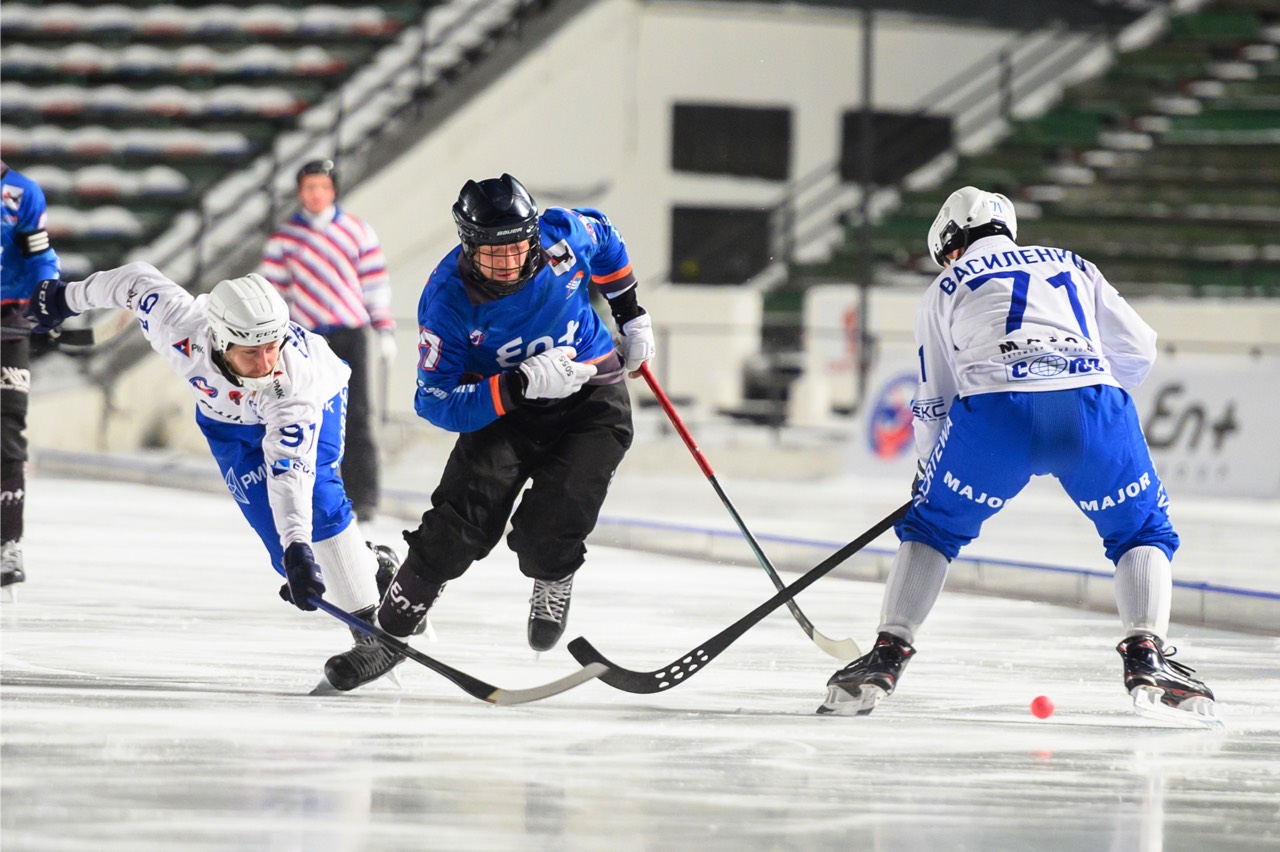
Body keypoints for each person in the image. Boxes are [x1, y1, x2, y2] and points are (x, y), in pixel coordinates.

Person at [817, 186, 1216, 722]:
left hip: (997, 415)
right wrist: (1088, 387)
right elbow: (1140, 349)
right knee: (1141, 531)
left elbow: (934, 400)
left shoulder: (944, 287)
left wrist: (927, 480)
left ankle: (887, 656)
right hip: (1091, 406)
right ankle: (1146, 655)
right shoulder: (1073, 264)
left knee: (933, 531)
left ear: (952, 241)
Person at [327, 173, 655, 676]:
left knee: (557, 519)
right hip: (505, 411)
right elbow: (434, 402)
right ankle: (388, 633)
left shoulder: (563, 236)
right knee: (458, 524)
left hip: (591, 396)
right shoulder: (447, 302)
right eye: (490, 253)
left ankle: (553, 576)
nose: (505, 264)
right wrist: (516, 386)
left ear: (534, 235)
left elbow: (607, 238)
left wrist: (630, 314)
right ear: (468, 244)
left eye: (516, 248)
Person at [26, 263, 407, 692]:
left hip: (320, 396)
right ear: (220, 340)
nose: (265, 364)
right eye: (250, 352)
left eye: (272, 347)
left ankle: (373, 633)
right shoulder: (180, 325)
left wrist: (299, 544)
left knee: (316, 499)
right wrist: (65, 298)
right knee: (275, 540)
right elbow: (134, 280)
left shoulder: (293, 383)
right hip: (225, 421)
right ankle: (372, 563)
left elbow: (289, 473)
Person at [260, 158, 394, 523]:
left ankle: (363, 495)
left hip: (350, 332)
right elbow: (275, 293)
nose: (316, 194)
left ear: (333, 189)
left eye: (322, 187)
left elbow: (374, 282)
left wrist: (383, 327)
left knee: (359, 414)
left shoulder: (356, 231)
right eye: (309, 188)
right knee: (309, 413)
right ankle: (312, 492)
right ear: (300, 192)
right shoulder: (284, 239)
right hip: (307, 336)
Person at [1, 160, 61, 590]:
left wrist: (48, 298)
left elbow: (40, 254)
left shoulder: (21, 192)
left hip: (8, 326)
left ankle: (7, 544)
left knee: (7, 432)